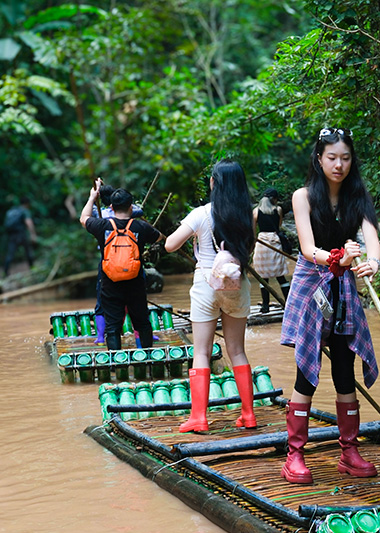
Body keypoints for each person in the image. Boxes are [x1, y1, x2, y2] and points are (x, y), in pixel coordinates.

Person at [279, 127, 380, 484]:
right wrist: (337, 256)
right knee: (306, 370)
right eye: (332, 157)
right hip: (313, 284)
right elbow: (307, 249)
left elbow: (371, 238)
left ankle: (349, 452)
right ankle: (294, 455)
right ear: (319, 159)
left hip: (344, 286)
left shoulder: (358, 197)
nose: (339, 165)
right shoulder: (303, 196)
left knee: (343, 365)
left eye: (346, 157)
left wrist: (372, 262)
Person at [164, 159, 257, 433]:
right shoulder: (247, 216)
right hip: (236, 284)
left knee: (201, 351)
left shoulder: (201, 214)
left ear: (214, 183)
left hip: (206, 283)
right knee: (237, 350)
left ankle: (199, 417)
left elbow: (170, 245)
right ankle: (249, 414)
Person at [81, 184, 162, 351]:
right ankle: (147, 359)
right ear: (131, 206)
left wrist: (92, 197)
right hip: (135, 282)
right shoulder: (140, 227)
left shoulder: (102, 226)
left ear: (111, 207)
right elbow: (159, 238)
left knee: (113, 327)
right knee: (142, 322)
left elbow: (83, 218)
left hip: (109, 282)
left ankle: (115, 365)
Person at [90, 184, 145, 344]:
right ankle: (140, 338)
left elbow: (86, 215)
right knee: (137, 301)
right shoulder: (131, 214)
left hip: (107, 262)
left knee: (103, 299)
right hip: (132, 260)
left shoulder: (99, 216)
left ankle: (101, 337)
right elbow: (138, 209)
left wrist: (93, 196)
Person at [252, 187, 290, 313]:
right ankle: (289, 303)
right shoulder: (278, 210)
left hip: (262, 243)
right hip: (275, 243)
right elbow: (279, 226)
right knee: (280, 275)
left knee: (263, 276)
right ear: (273, 199)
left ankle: (265, 306)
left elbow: (253, 231)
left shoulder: (256, 211)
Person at [3, 196, 38, 277]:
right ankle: (32, 269)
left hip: (12, 235)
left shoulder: (13, 210)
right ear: (27, 204)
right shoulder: (25, 211)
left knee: (10, 254)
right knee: (28, 251)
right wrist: (33, 234)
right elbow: (29, 222)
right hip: (21, 234)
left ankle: (5, 272)